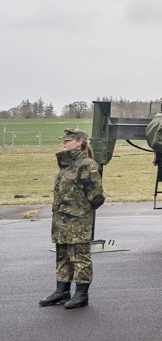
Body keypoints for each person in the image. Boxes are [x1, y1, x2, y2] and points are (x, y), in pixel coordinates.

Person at [39, 128, 105, 309]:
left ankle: (81, 294)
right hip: (62, 220)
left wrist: (81, 211)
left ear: (80, 142)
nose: (64, 142)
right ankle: (62, 290)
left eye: (69, 140)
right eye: (64, 139)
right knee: (63, 256)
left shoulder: (87, 165)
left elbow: (97, 196)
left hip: (78, 220)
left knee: (80, 257)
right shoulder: (66, 165)